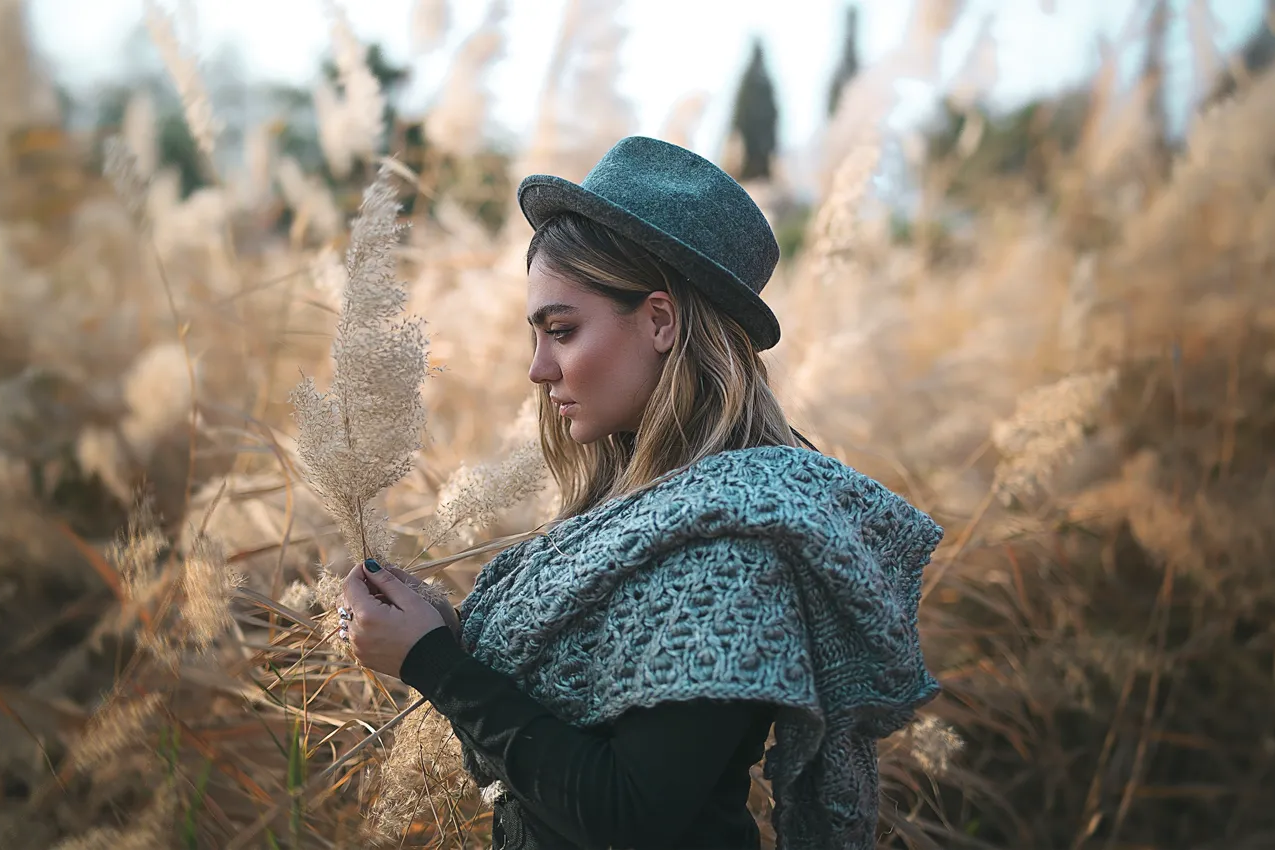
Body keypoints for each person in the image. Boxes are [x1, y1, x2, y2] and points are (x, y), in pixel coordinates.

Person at [336, 136, 944, 850]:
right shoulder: (639, 514)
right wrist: (445, 636)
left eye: (561, 330)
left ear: (660, 321)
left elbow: (627, 815)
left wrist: (433, 663)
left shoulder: (735, 542)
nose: (537, 369)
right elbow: (560, 743)